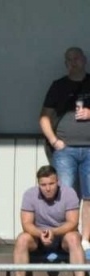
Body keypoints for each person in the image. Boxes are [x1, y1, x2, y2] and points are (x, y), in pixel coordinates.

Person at [11, 165, 88, 276]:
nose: (47, 188)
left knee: (74, 237)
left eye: (51, 184)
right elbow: (26, 224)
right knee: (22, 239)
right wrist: (41, 234)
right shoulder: (30, 195)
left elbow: (73, 223)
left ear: (57, 181)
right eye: (43, 185)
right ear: (38, 184)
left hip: (62, 237)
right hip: (38, 237)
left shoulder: (69, 193)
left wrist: (54, 232)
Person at [39, 47, 90, 200]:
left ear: (84, 60)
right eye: (69, 59)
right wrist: (54, 141)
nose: (73, 62)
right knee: (65, 196)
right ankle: (70, 225)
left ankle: (87, 226)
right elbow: (44, 117)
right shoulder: (58, 86)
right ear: (65, 63)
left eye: (76, 58)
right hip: (65, 149)